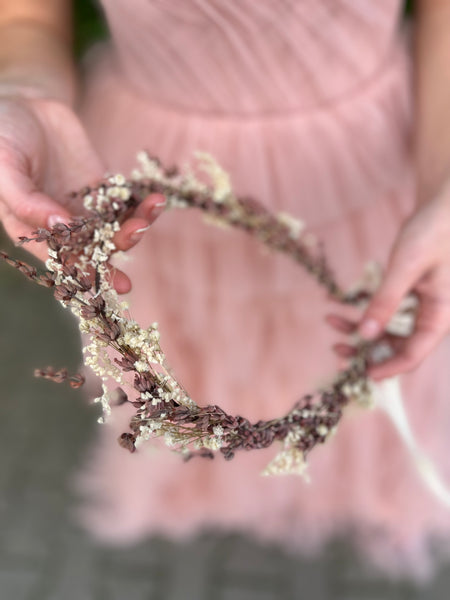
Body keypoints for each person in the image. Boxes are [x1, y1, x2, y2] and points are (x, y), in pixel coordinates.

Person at [1, 0, 450, 577]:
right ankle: (217, 482)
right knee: (196, 359)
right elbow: (26, 17)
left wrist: (443, 180)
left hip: (374, 153)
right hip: (153, 169)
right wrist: (26, 95)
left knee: (357, 351)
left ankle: (352, 484)